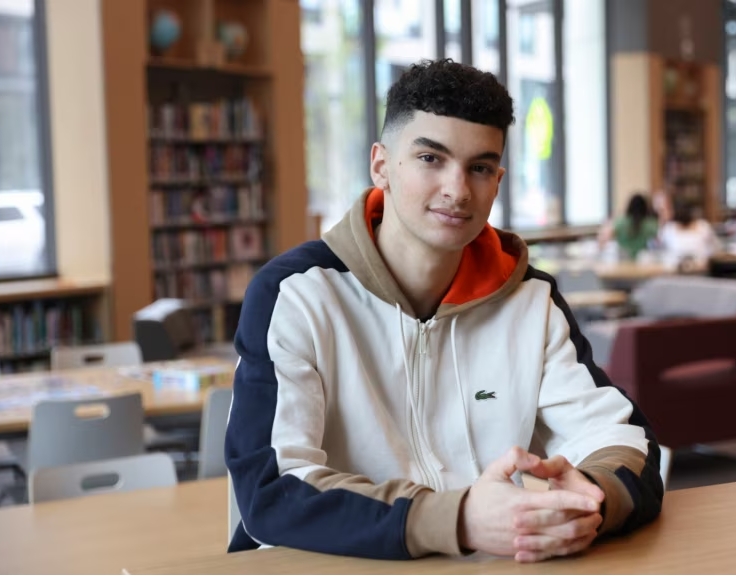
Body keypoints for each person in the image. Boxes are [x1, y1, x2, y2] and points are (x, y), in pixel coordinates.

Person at [226, 59, 663, 563]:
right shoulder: (295, 294)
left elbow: (625, 440)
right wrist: (456, 518)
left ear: (497, 181)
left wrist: (590, 495)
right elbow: (271, 493)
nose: (458, 191)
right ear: (381, 165)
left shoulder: (528, 296)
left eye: (479, 167)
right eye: (431, 159)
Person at [658, 198, 719, 269]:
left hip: (697, 268)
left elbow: (659, 248)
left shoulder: (669, 229)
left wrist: (662, 221)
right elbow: (716, 247)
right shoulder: (703, 225)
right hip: (697, 268)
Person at [609, 193, 659, 261]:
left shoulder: (620, 222)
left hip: (622, 263)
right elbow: (658, 242)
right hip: (641, 262)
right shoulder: (651, 224)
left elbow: (606, 237)